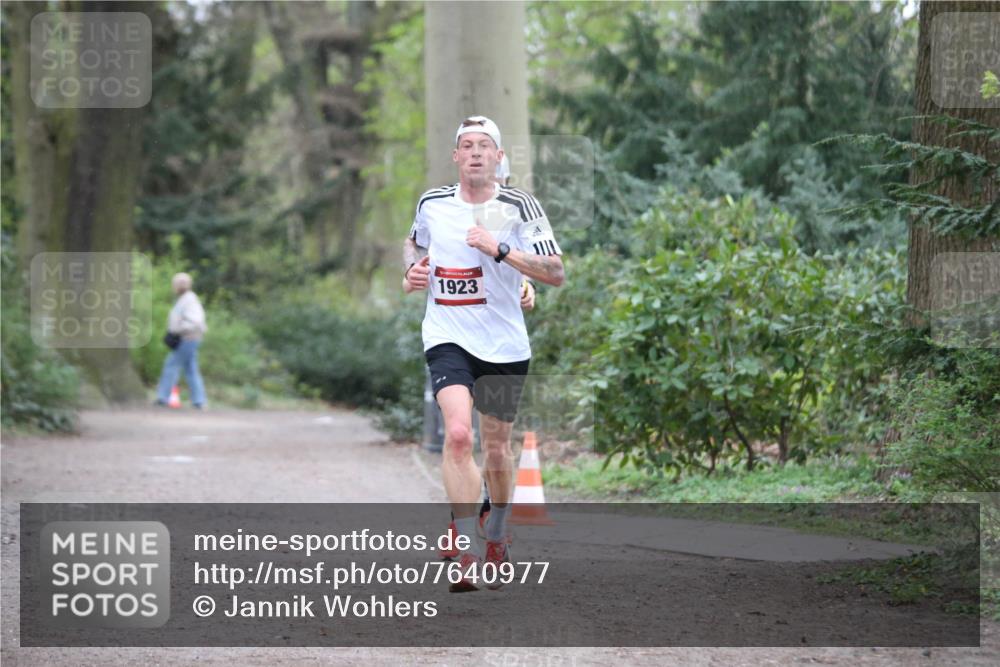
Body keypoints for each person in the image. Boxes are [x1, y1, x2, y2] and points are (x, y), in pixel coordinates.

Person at [403, 115, 564, 592]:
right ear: (455, 156)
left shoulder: (519, 205)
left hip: (503, 344)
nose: (475, 152)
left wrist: (500, 251)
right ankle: (464, 547)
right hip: (448, 335)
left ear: (498, 157)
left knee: (495, 448)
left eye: (484, 146)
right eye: (466, 146)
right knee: (456, 435)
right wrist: (411, 271)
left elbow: (554, 270)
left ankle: (495, 532)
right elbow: (414, 244)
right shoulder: (433, 203)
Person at [155, 272, 208, 409]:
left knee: (171, 365)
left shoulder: (189, 300)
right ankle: (199, 401)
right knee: (191, 369)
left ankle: (162, 398)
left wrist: (178, 329)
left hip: (187, 339)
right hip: (188, 338)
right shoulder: (184, 299)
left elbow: (196, 321)